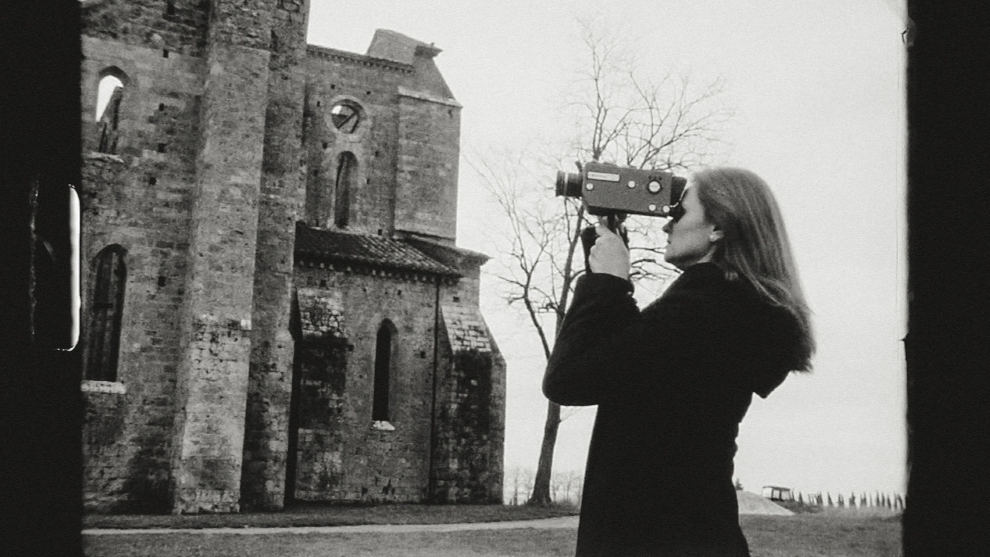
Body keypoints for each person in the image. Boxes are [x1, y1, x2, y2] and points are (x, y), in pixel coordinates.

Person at [544, 167, 814, 557]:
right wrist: (608, 272)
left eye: (679, 214)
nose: (665, 228)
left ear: (718, 228)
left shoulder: (697, 313)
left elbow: (569, 379)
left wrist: (608, 285)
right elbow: (631, 367)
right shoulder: (726, 312)